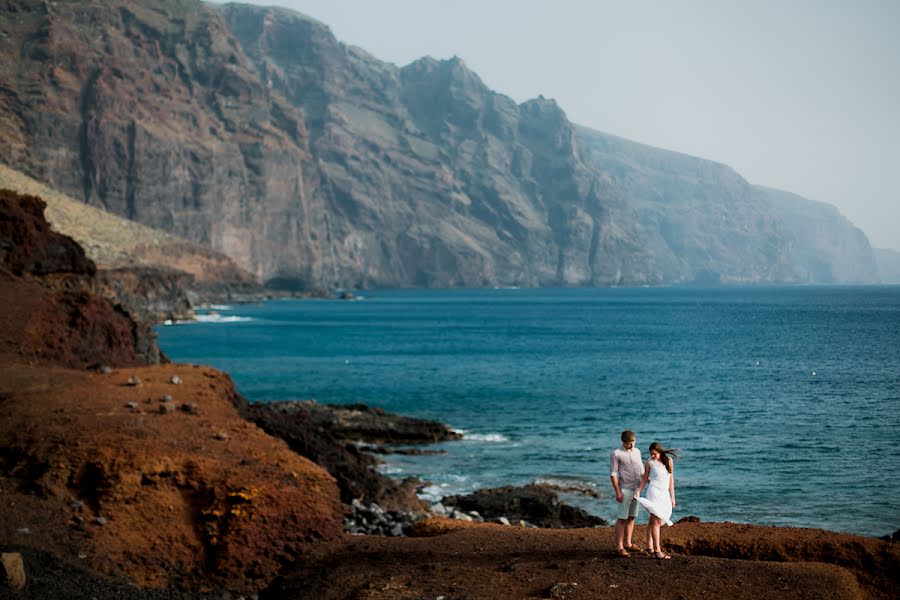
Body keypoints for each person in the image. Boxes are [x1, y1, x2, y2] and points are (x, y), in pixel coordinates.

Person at [635, 441, 679, 559]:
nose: (652, 456)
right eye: (651, 453)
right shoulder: (649, 462)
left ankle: (649, 547)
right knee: (656, 521)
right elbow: (645, 479)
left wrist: (672, 497)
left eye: (654, 453)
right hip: (653, 493)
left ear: (660, 451)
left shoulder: (669, 461)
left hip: (664, 494)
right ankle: (657, 551)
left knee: (652, 520)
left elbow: (671, 480)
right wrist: (639, 490)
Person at [609, 429, 643, 557]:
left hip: (636, 489)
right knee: (622, 518)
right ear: (623, 442)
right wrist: (617, 492)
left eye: (633, 442)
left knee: (632, 517)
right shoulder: (616, 453)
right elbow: (613, 474)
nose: (632, 445)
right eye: (629, 443)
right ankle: (619, 547)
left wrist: (646, 480)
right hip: (625, 489)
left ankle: (628, 543)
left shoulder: (637, 451)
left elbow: (641, 469)